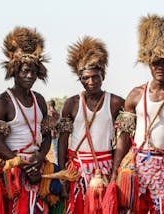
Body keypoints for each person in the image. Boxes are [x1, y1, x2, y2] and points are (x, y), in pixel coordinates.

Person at [110, 14, 164, 213]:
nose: (160, 67)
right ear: (149, 65)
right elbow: (125, 136)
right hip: (137, 166)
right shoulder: (136, 95)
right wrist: (115, 169)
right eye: (155, 63)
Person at [57, 36, 124, 213]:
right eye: (86, 78)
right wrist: (62, 173)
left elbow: (126, 137)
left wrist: (117, 171)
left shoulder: (116, 102)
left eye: (95, 77)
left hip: (105, 168)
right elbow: (63, 140)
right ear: (80, 79)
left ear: (103, 76)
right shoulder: (71, 104)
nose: (91, 82)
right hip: (76, 167)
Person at [0, 27, 52, 213]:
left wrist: (40, 158)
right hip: (14, 170)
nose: (29, 76)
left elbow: (47, 135)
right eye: (25, 71)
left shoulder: (39, 99)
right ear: (15, 71)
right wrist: (23, 165)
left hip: (38, 166)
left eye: (33, 72)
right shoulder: (3, 102)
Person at [47, 99, 60, 164]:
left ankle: (56, 164)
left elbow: (52, 123)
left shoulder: (51, 113)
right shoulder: (57, 113)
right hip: (57, 133)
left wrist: (52, 132)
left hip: (53, 134)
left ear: (49, 105)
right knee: (56, 150)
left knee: (55, 150)